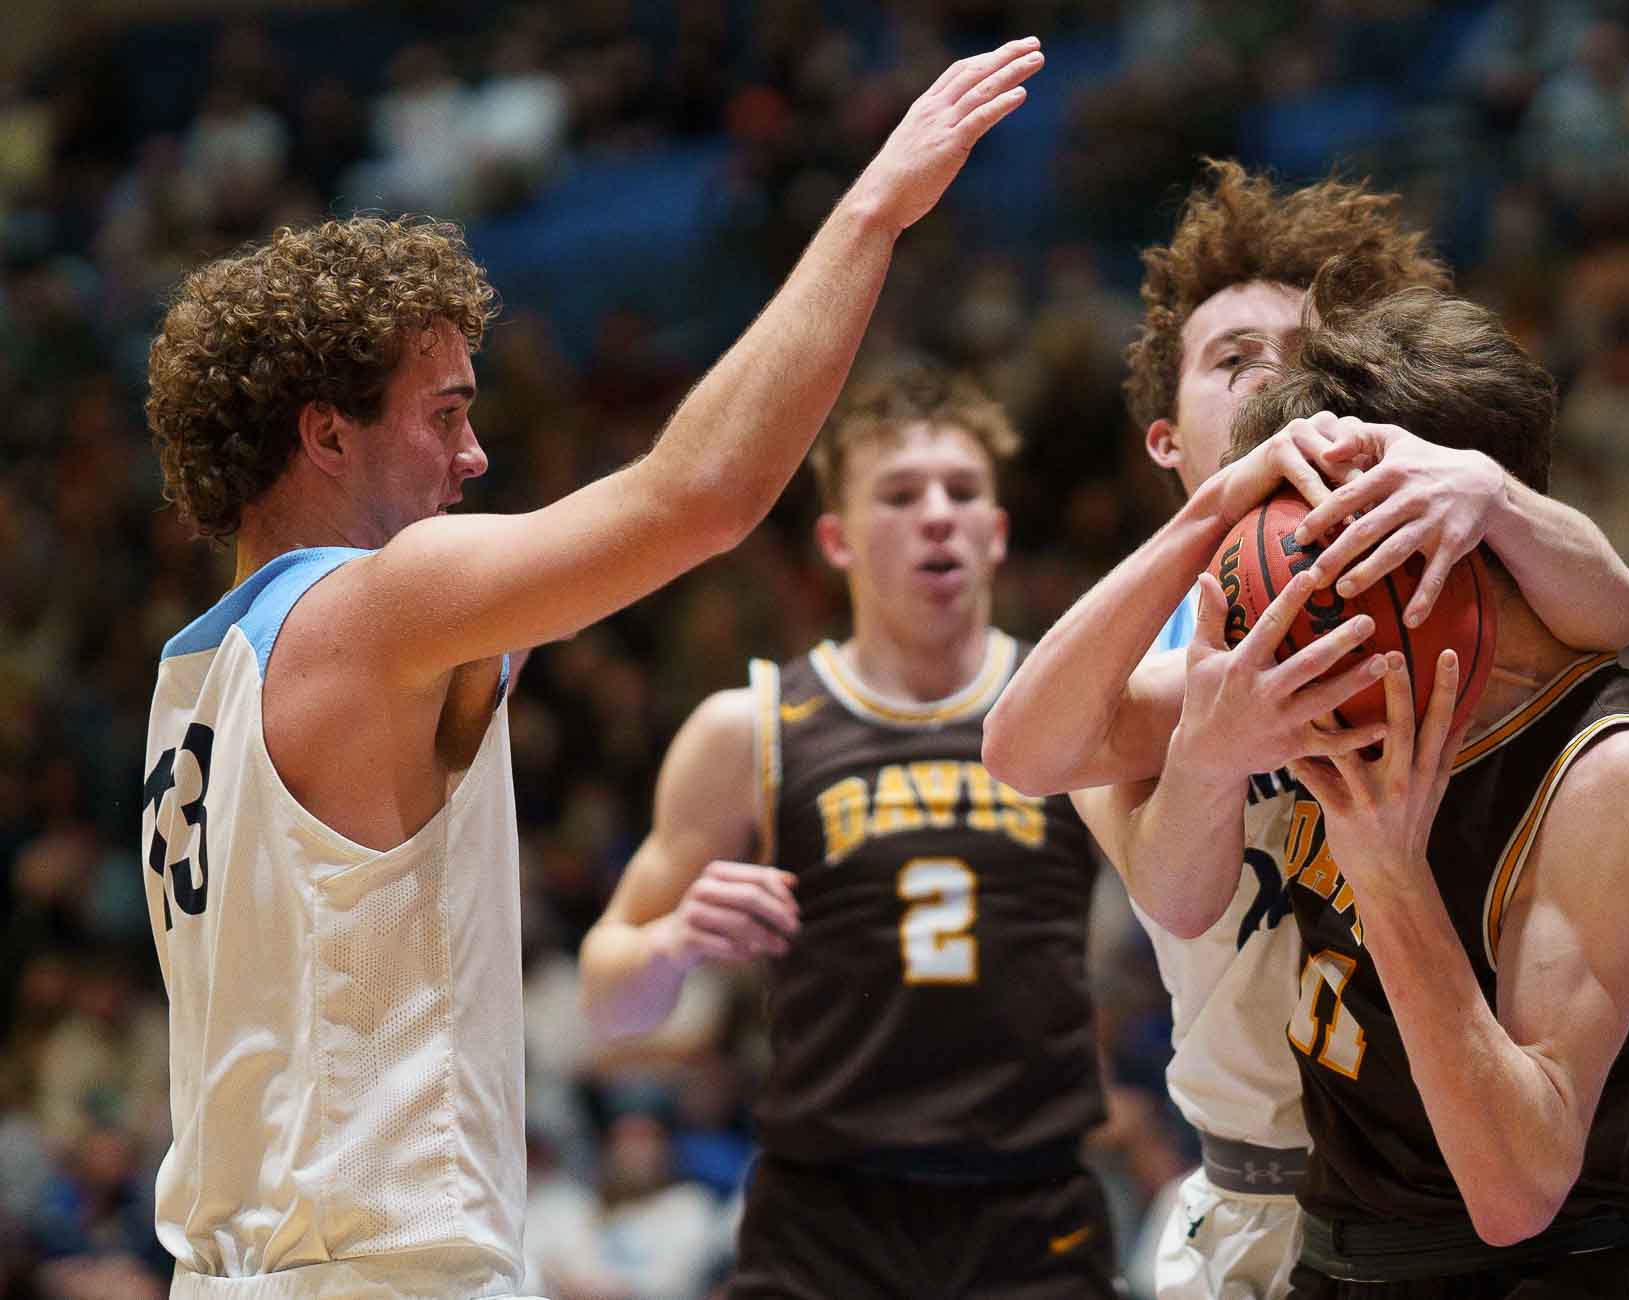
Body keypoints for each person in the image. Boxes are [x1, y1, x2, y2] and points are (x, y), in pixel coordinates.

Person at [137, 37, 1045, 1299]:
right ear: (327, 434)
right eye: (445, 413)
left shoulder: (197, 673)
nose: (477, 457)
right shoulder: (379, 607)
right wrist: (872, 210)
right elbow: (704, 496)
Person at [983, 161, 1629, 1299]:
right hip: (1256, 1195)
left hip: (1445, 1198)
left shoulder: (1421, 569)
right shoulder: (1130, 667)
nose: (1269, 389)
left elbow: (1620, 610)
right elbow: (1109, 830)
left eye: (1301, 360)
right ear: (1163, 438)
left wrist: (1490, 487)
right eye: (1231, 360)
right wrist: (1210, 687)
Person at [1204, 279, 1629, 1295]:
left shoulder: (1614, 771)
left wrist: (1389, 876)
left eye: (1309, 530)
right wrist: (1212, 517)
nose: (1292, 562)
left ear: (1418, 529)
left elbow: (1517, 1187)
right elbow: (1032, 747)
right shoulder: (1335, 674)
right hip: (1332, 1256)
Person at [579, 368, 1117, 1298]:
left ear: (998, 532)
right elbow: (605, 998)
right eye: (900, 496)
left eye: (963, 492)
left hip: (1031, 1204)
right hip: (826, 1217)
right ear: (837, 539)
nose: (937, 516)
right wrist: (673, 941)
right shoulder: (750, 725)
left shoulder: (1079, 713)